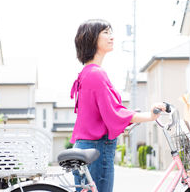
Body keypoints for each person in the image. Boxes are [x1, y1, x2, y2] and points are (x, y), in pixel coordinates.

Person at [70, 19, 166, 192]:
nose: (111, 37)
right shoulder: (96, 74)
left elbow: (104, 112)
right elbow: (114, 113)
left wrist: (130, 115)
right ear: (92, 39)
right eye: (106, 32)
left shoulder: (86, 73)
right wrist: (150, 116)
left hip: (85, 146)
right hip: (97, 149)